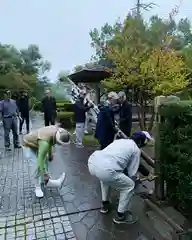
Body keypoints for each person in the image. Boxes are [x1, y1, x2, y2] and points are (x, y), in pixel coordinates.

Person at [88, 130, 153, 224]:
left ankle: (105, 205)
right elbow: (132, 172)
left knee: (105, 180)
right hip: (106, 169)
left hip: (94, 162)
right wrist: (145, 176)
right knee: (129, 186)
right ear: (140, 142)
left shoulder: (120, 141)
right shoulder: (135, 149)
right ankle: (121, 215)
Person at [22, 123, 71, 198]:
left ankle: (46, 182)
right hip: (28, 145)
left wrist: (50, 155)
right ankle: (37, 187)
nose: (59, 145)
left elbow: (50, 143)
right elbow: (40, 159)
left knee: (45, 162)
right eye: (59, 143)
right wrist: (45, 173)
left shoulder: (56, 131)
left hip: (37, 143)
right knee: (36, 165)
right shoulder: (44, 143)